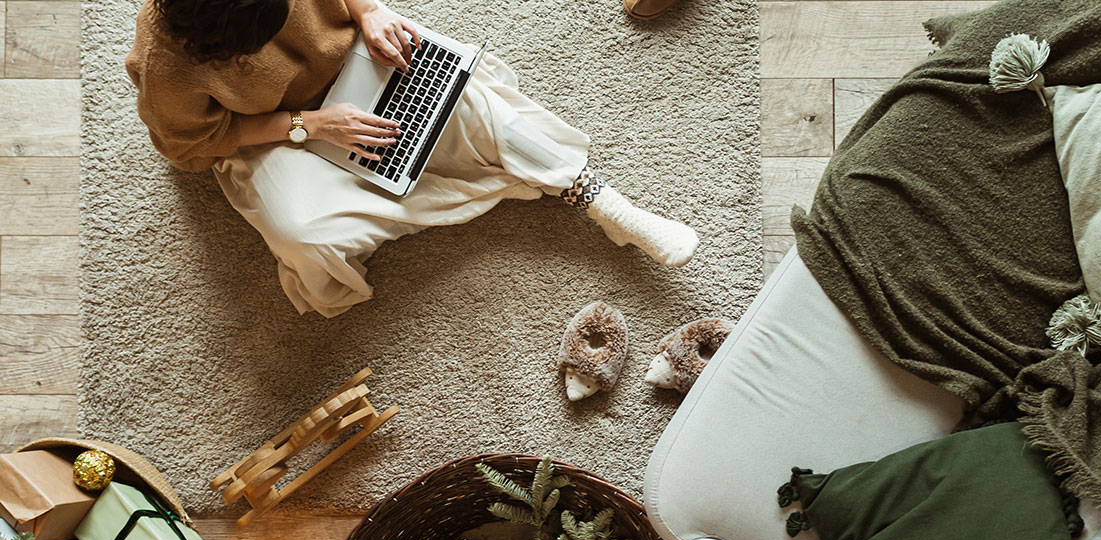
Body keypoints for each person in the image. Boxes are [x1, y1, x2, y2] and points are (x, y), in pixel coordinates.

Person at [126, 0, 700, 318]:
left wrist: (370, 12)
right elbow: (190, 147)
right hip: (273, 133)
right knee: (307, 236)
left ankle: (598, 197)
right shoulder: (166, 66)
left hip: (355, 54)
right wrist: (309, 126)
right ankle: (439, 178)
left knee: (465, 102)